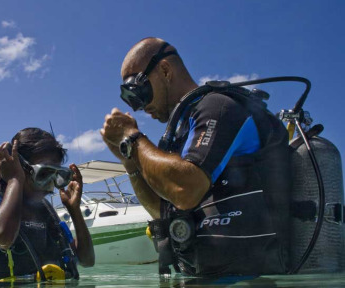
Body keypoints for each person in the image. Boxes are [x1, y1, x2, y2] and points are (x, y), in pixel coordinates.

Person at [101, 37, 291, 277]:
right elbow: (162, 210)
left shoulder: (218, 108)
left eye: (137, 91)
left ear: (165, 70)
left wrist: (133, 137)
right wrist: (129, 162)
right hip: (207, 276)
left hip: (255, 278)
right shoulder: (179, 135)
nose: (138, 106)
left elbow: (186, 190)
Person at [0, 127, 94, 281]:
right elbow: (2, 238)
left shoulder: (44, 209)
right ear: (18, 167)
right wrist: (15, 179)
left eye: (57, 176)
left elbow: (87, 261)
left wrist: (75, 210)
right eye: (43, 174)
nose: (49, 185)